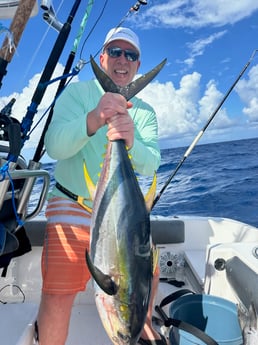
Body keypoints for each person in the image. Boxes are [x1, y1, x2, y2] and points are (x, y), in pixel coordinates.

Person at [36, 27, 166, 345]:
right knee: (58, 293)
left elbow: (151, 163)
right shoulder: (77, 95)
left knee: (147, 278)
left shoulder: (145, 113)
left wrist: (130, 140)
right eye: (116, 52)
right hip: (73, 203)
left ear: (138, 64)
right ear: (103, 56)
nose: (123, 60)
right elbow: (54, 147)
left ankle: (140, 328)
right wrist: (95, 118)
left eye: (131, 55)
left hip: (122, 209)